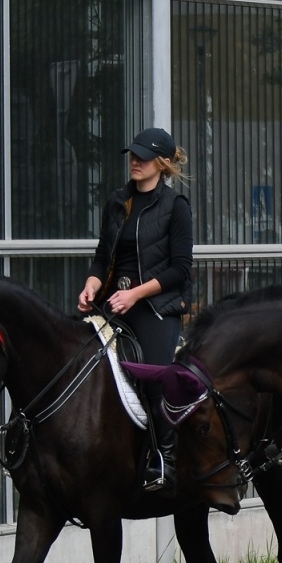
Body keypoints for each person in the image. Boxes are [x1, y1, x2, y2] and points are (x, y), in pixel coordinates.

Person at [79, 126, 192, 493]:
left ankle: (165, 459)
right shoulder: (117, 201)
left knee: (155, 376)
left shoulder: (176, 207)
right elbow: (101, 257)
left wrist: (136, 295)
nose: (135, 161)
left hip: (156, 306)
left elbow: (180, 270)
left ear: (161, 163)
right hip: (112, 303)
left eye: (143, 156)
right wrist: (92, 285)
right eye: (133, 154)